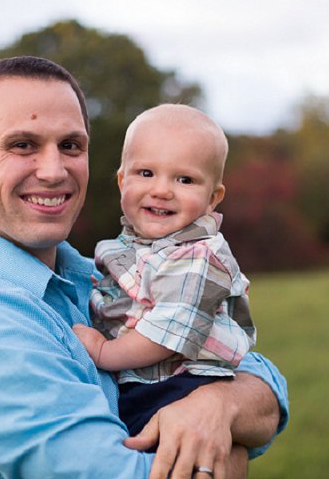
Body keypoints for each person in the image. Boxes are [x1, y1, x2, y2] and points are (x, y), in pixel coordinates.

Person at [0, 56, 289, 479]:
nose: (53, 171)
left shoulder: (93, 274)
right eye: (22, 145)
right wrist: (226, 456)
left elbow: (262, 384)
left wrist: (217, 406)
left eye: (70, 146)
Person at [72, 104, 257, 440]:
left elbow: (170, 329)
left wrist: (103, 352)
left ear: (212, 198)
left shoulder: (199, 255)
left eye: (184, 179)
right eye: (146, 173)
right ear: (121, 180)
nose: (161, 190)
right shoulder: (133, 246)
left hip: (180, 386)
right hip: (146, 381)